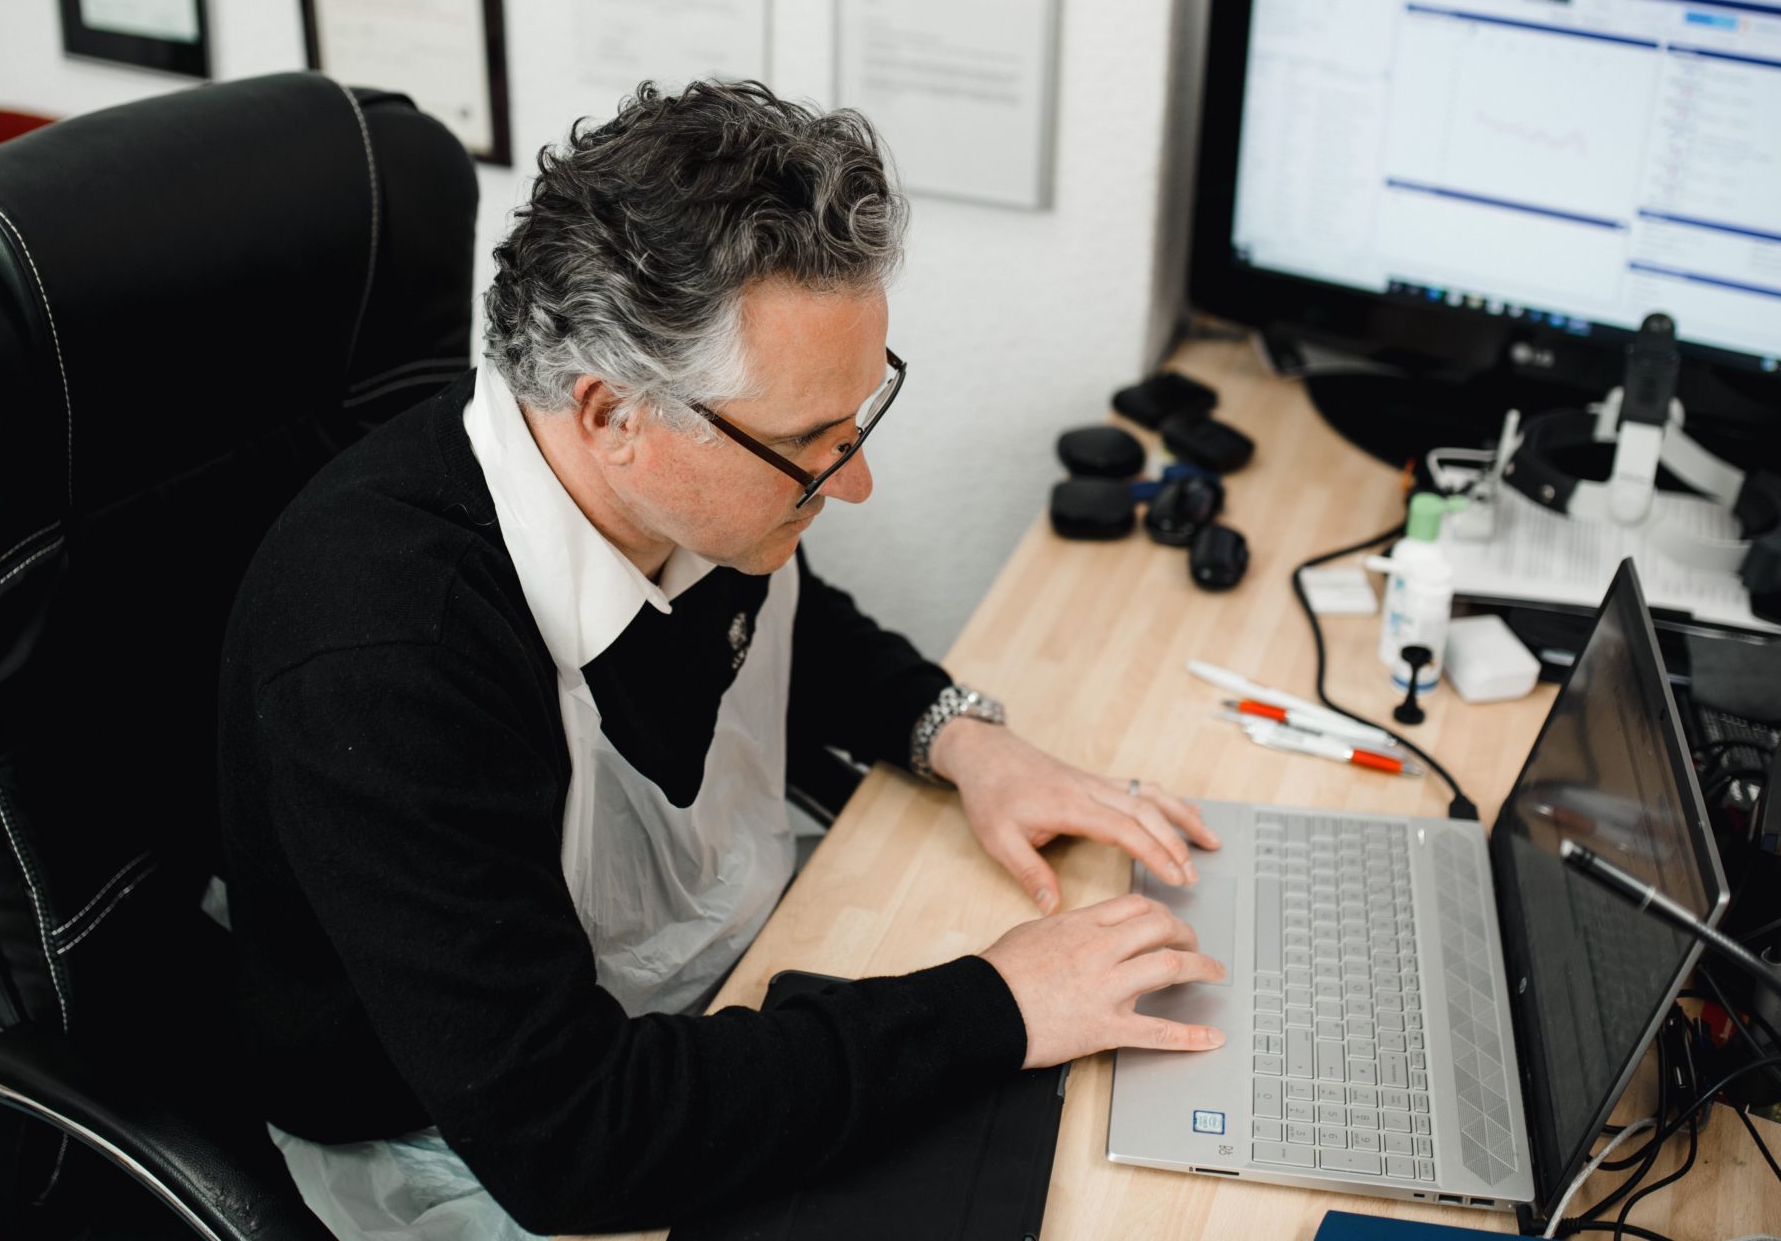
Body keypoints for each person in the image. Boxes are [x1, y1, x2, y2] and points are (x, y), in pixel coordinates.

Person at [218, 79, 1226, 1240]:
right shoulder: (385, 656)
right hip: (468, 1135)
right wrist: (999, 1001)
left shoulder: (681, 491)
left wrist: (961, 733)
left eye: (862, 415)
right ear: (612, 417)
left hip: (697, 998)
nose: (853, 481)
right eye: (810, 445)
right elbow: (574, 1138)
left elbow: (790, 621)